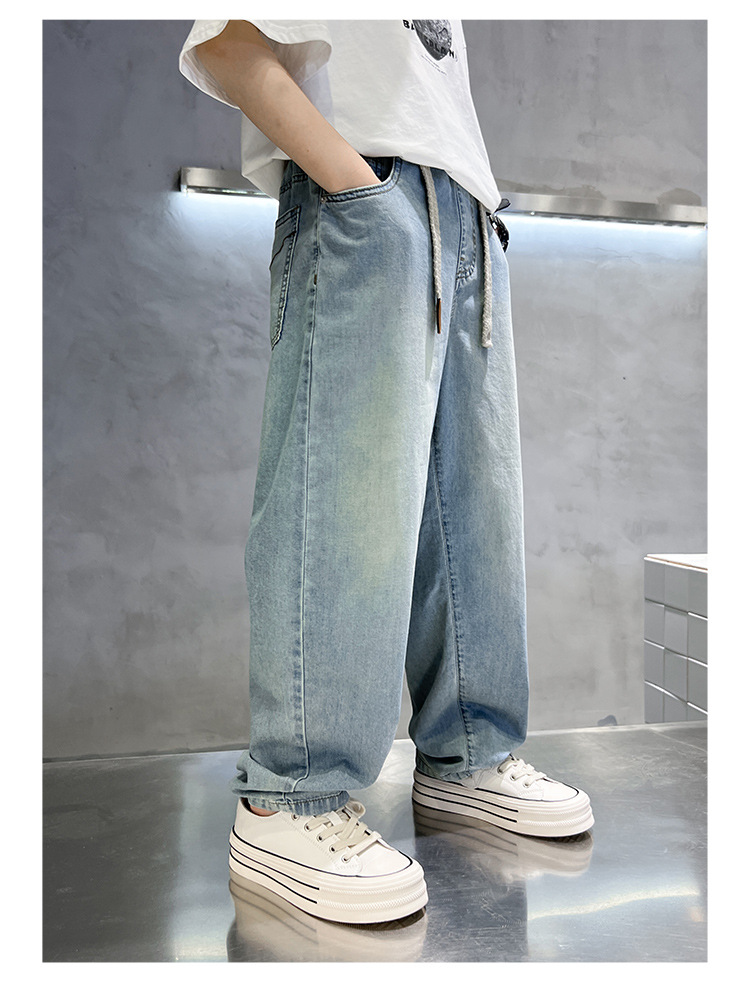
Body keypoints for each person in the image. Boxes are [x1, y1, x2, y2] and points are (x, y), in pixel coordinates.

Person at [179, 18, 594, 926]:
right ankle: (290, 801)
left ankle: (470, 754)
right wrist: (356, 188)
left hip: (468, 211)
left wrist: (460, 214)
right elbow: (226, 41)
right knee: (345, 498)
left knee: (476, 513)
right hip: (367, 193)